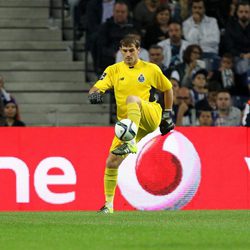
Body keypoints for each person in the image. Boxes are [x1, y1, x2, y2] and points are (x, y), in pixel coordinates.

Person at [88, 36, 174, 213]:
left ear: (138, 50)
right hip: (127, 125)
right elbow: (97, 87)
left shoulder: (151, 69)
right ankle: (109, 205)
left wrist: (167, 115)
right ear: (120, 51)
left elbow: (168, 88)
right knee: (111, 162)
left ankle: (129, 142)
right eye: (124, 50)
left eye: (131, 50)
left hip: (149, 115)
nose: (128, 54)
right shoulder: (114, 70)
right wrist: (94, 94)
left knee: (132, 99)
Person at [182, 0, 220, 69]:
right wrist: (196, 24)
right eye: (195, 8)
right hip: (193, 55)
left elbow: (215, 41)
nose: (197, 10)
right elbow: (190, 42)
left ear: (204, 9)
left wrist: (198, 42)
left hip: (209, 53)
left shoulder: (212, 21)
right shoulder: (186, 23)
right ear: (192, 9)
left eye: (200, 8)